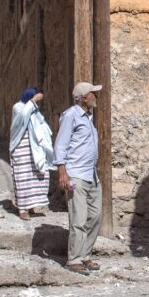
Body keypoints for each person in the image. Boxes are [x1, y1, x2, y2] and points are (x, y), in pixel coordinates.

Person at [54, 81, 103, 274]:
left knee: (96, 215)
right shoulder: (71, 116)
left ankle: (85, 255)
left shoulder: (88, 117)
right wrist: (62, 172)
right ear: (84, 98)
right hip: (75, 175)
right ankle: (74, 259)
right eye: (93, 94)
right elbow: (60, 145)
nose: (96, 97)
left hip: (91, 174)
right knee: (79, 218)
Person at [9, 87, 54, 220]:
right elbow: (22, 117)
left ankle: (31, 206)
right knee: (23, 178)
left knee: (37, 176)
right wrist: (33, 101)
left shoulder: (33, 108)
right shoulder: (18, 107)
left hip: (35, 149)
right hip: (21, 148)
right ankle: (22, 209)